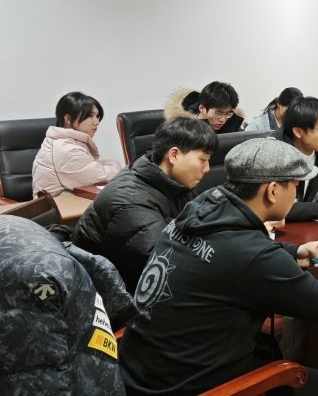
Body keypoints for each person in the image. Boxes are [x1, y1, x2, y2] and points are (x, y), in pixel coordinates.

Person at [120, 138, 318, 396]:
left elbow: (229, 254)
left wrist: (294, 252)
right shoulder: (251, 253)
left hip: (138, 374)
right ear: (273, 191)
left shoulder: (198, 210)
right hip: (188, 387)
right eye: (295, 184)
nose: (296, 192)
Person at [72, 118, 218, 292]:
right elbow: (164, 265)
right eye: (202, 160)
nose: (207, 168)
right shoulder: (129, 201)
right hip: (115, 294)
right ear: (174, 155)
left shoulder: (174, 182)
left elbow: (203, 223)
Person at [1, 215, 135, 396]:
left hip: (80, 378)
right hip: (86, 352)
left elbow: (40, 380)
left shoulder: (21, 282)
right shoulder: (11, 227)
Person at [32, 91, 122, 196]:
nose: (96, 122)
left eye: (97, 116)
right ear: (68, 119)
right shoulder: (65, 149)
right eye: (90, 116)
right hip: (58, 204)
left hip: (69, 200)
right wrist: (116, 166)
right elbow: (99, 176)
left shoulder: (66, 141)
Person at [164, 81, 245, 133]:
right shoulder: (179, 131)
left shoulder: (233, 126)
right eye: (218, 113)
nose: (223, 120)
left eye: (228, 114)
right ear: (202, 108)